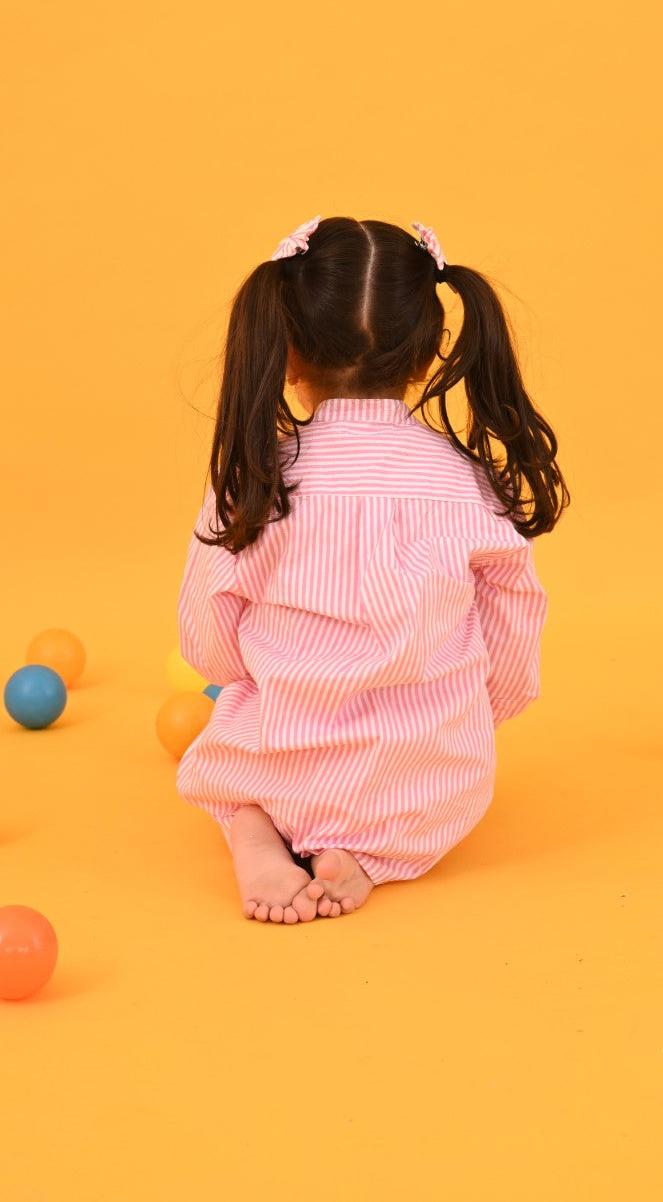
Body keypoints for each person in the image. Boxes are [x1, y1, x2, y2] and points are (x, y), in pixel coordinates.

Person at [175, 215, 569, 924]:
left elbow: (208, 644)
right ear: (429, 353)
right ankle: (371, 854)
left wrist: (276, 674)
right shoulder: (469, 483)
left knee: (230, 758)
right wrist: (466, 712)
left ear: (286, 350)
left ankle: (255, 826)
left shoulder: (258, 478)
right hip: (420, 777)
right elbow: (513, 651)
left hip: (280, 753)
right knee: (450, 789)